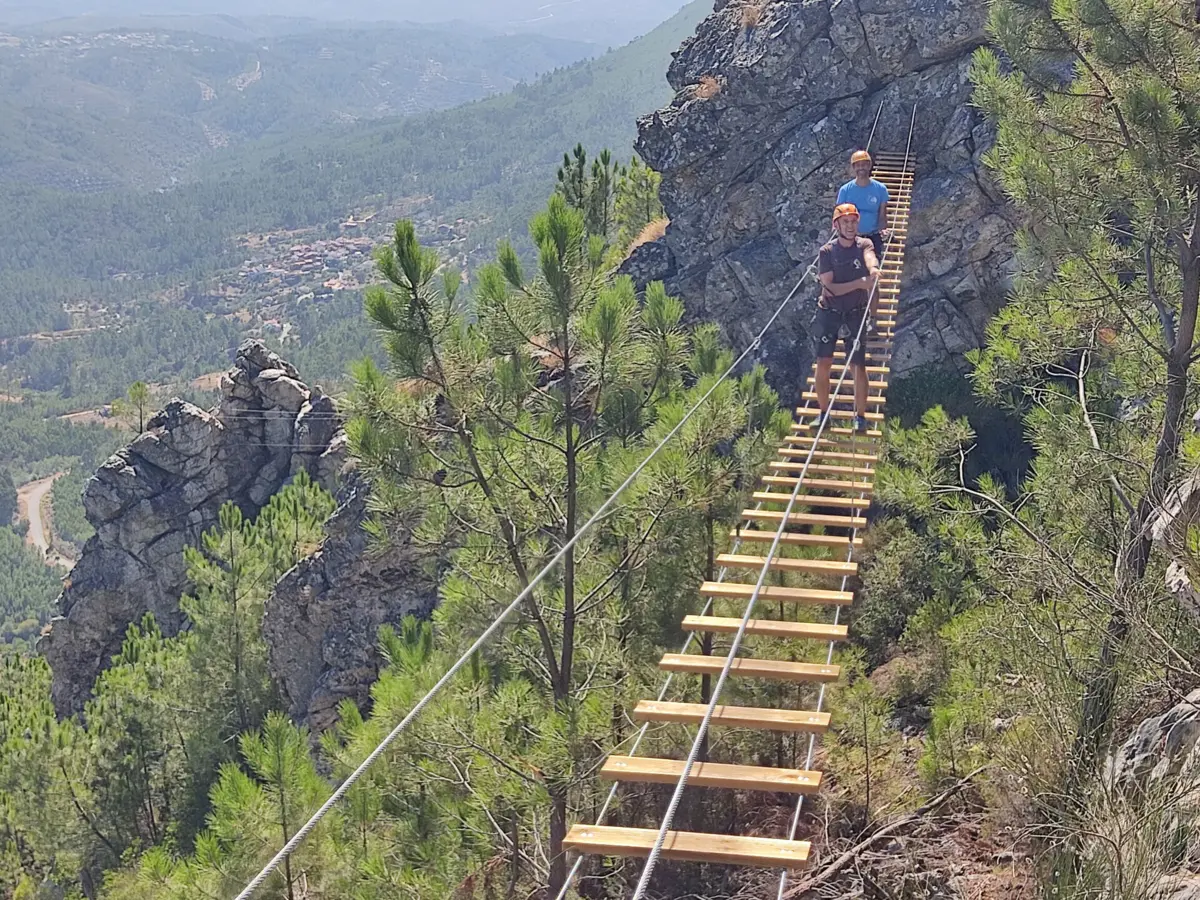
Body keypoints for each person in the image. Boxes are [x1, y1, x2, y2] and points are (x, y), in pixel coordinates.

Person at [814, 203, 881, 434]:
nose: (851, 226)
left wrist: (873, 270)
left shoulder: (864, 244)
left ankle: (860, 417)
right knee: (823, 363)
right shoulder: (827, 252)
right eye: (846, 222)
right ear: (837, 225)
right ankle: (823, 414)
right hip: (830, 311)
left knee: (857, 366)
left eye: (853, 221)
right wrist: (860, 284)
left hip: (855, 312)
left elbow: (869, 256)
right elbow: (830, 287)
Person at [836, 150, 891, 261]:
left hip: (873, 236)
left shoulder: (880, 189)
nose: (861, 168)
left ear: (869, 165)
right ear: (853, 167)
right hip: (852, 237)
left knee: (873, 267)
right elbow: (839, 217)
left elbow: (882, 215)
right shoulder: (845, 190)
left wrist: (884, 230)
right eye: (858, 165)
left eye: (864, 164)